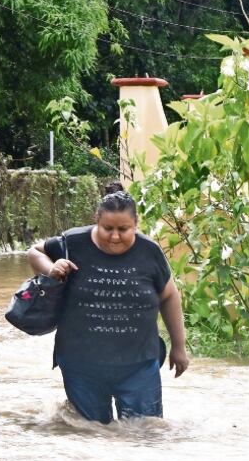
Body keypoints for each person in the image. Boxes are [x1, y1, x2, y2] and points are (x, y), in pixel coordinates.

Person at [27, 182, 189, 424]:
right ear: (96, 221)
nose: (115, 236)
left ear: (136, 224)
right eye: (107, 228)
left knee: (146, 434)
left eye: (124, 229)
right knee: (90, 434)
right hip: (81, 363)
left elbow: (169, 296)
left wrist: (179, 346)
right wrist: (52, 268)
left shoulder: (150, 251)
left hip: (139, 364)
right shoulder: (73, 242)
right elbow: (34, 252)